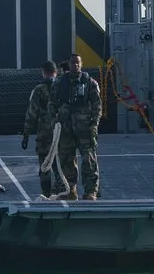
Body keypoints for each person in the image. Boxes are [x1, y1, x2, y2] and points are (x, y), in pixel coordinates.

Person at [51, 52, 102, 201]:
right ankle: (70, 189)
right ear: (69, 63)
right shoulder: (60, 82)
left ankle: (91, 191)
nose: (76, 65)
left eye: (78, 62)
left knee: (89, 159)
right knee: (66, 159)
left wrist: (94, 125)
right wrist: (54, 120)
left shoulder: (90, 83)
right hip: (65, 127)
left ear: (81, 64)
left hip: (84, 128)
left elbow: (97, 106)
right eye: (73, 62)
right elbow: (52, 102)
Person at [21, 61, 61, 197]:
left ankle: (46, 193)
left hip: (44, 132)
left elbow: (32, 113)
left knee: (45, 163)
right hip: (61, 131)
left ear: (43, 72)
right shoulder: (63, 87)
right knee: (61, 162)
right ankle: (63, 190)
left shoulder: (38, 90)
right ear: (57, 72)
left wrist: (26, 133)